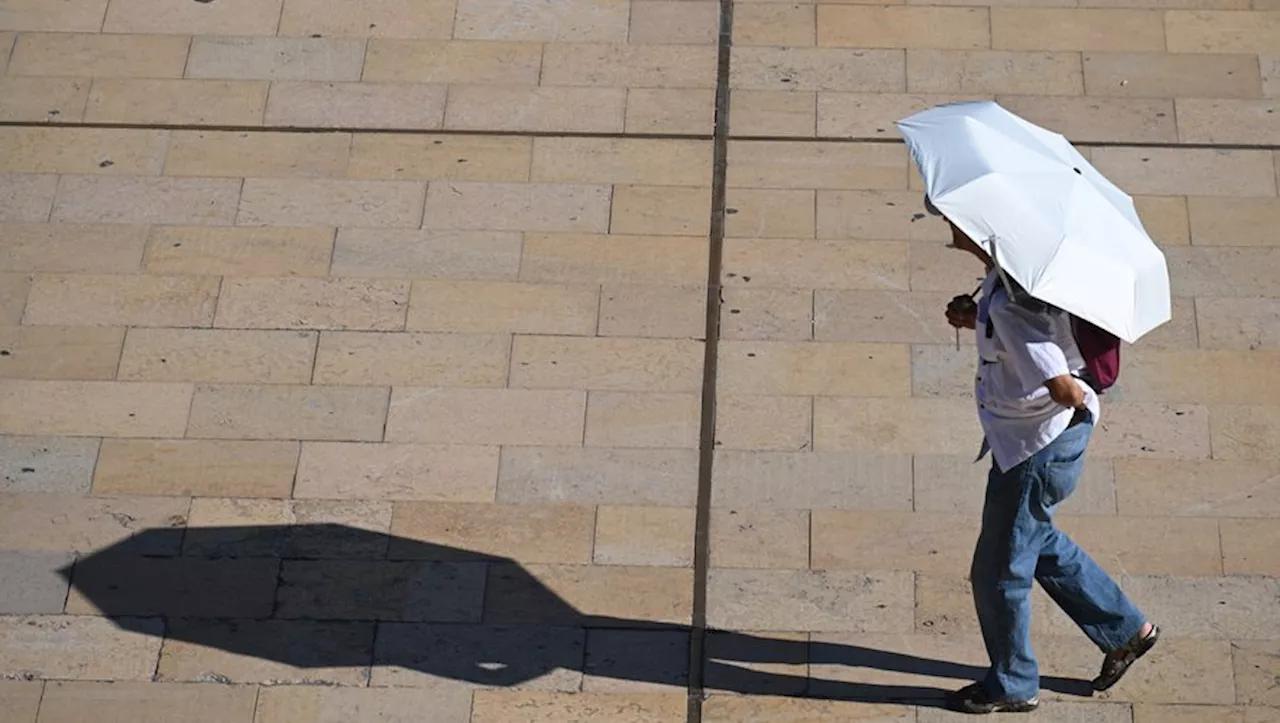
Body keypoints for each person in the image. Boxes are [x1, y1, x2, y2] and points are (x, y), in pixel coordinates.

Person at [932, 198, 1159, 715]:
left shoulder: (1015, 302)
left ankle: (1013, 684)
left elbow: (1061, 384)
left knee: (998, 571)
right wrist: (978, 318)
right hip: (1026, 442)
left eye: (954, 218)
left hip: (1036, 445)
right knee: (1035, 538)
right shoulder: (1006, 280)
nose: (947, 224)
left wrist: (1056, 383)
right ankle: (1127, 630)